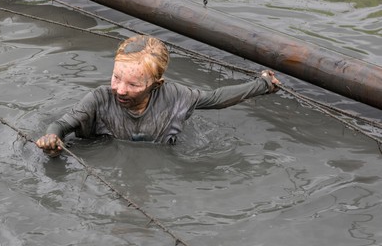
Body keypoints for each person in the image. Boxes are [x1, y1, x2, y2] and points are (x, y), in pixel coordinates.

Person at [36, 34, 280, 156]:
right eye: (116, 77)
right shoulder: (100, 98)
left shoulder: (175, 97)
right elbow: (60, 125)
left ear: (156, 84)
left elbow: (216, 99)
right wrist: (52, 141)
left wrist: (264, 84)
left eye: (133, 84)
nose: (120, 89)